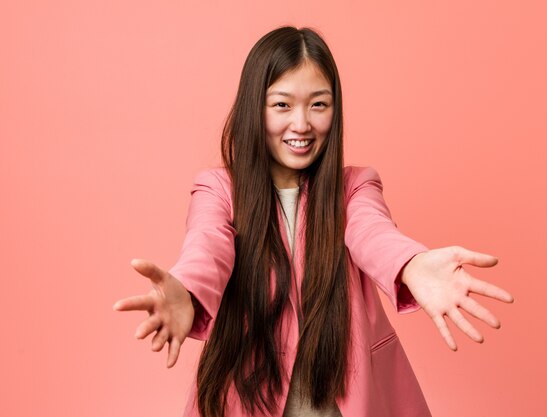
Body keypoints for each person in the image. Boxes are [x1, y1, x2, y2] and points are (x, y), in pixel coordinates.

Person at [113, 26, 514, 417]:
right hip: (249, 396)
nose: (302, 124)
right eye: (282, 105)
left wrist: (411, 264)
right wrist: (187, 291)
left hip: (343, 398)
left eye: (318, 104)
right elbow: (207, 247)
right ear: (255, 108)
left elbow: (373, 233)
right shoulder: (219, 190)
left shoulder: (355, 186)